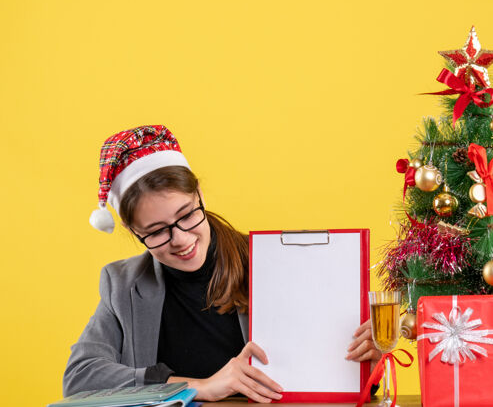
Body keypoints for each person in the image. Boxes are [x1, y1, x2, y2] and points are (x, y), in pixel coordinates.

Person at [63, 125, 381, 402]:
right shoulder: (123, 283)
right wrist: (196, 387)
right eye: (157, 231)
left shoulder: (273, 261)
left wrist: (367, 362)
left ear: (200, 195)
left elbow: (333, 377)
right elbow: (80, 378)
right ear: (135, 232)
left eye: (187, 214)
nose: (180, 239)